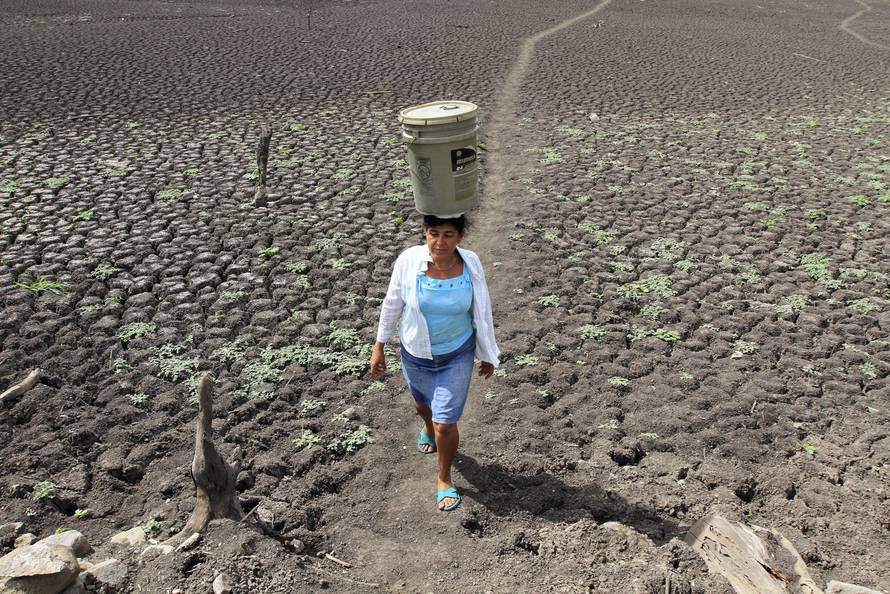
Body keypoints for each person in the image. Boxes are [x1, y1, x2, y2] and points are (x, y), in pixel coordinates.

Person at [370, 214, 500, 512]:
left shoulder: (470, 265)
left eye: (448, 235)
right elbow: (392, 303)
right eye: (434, 233)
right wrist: (379, 345)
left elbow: (482, 309)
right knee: (421, 405)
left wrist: (487, 353)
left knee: (445, 422)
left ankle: (444, 478)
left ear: (460, 238)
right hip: (415, 352)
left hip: (457, 352)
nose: (440, 242)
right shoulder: (409, 262)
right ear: (425, 234)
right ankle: (426, 425)